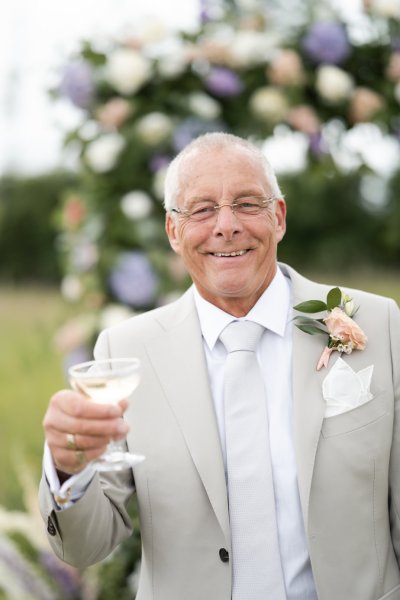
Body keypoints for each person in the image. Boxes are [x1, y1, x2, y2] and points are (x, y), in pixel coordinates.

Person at [39, 132, 400, 600]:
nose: (226, 225)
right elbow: (85, 546)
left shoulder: (380, 325)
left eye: (248, 204)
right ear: (172, 231)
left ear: (280, 217)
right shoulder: (125, 350)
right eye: (202, 209)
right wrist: (69, 471)